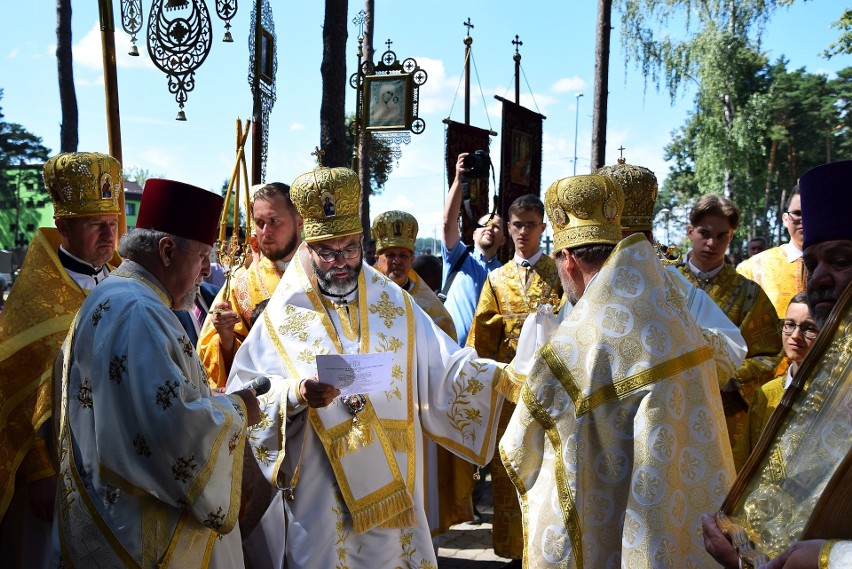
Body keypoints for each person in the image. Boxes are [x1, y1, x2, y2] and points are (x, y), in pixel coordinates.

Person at [227, 160, 508, 569]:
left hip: (391, 481)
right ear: (308, 249)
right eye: (328, 253)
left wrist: (502, 378)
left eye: (350, 249)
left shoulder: (394, 302)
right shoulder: (282, 315)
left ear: (362, 243)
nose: (341, 262)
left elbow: (444, 365)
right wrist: (296, 393)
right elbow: (249, 391)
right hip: (319, 491)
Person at [500, 173, 735, 568]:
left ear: (568, 260)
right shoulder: (679, 321)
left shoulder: (573, 349)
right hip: (690, 522)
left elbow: (519, 449)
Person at [55, 178, 261, 568]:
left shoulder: (115, 292)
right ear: (167, 250)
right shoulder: (141, 311)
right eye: (202, 257)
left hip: (111, 516)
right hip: (143, 532)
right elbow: (172, 430)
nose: (205, 271)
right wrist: (239, 410)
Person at [703, 160, 852, 569]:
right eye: (813, 262)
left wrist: (827, 557)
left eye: (840, 260)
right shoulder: (825, 379)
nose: (818, 278)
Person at [0, 152, 122, 569]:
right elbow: (13, 394)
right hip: (58, 472)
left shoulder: (127, 283)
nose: (109, 236)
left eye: (113, 224)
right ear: (64, 226)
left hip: (122, 466)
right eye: (95, 225)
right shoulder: (35, 299)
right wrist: (38, 471)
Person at [466, 193, 562, 562]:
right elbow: (482, 341)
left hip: (555, 396)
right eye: (517, 225)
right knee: (510, 474)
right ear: (508, 228)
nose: (523, 232)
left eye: (531, 225)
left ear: (542, 228)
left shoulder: (560, 272)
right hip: (511, 400)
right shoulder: (497, 279)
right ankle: (513, 552)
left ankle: (546, 552)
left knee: (549, 474)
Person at [371, 209, 472, 533]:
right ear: (377, 255)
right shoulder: (358, 293)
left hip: (416, 412)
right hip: (370, 410)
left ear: (412, 257)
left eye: (403, 255)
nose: (396, 261)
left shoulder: (431, 307)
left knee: (419, 495)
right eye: (390, 254)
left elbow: (446, 356)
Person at [679, 195, 781, 470]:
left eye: (722, 236)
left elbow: (769, 355)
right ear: (690, 231)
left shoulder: (750, 294)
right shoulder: (665, 281)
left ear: (732, 236)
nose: (712, 243)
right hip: (670, 405)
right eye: (704, 233)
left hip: (724, 411)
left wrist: (729, 379)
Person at [198, 182, 303, 387]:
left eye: (274, 221)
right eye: (259, 222)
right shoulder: (243, 285)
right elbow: (230, 366)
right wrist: (226, 339)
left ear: (299, 222)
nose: (265, 231)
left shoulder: (323, 273)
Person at [731, 292, 819, 466]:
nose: (795, 335)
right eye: (789, 325)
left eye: (808, 328)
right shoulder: (766, 393)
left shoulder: (836, 394)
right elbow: (742, 460)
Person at [441, 152, 505, 345]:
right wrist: (459, 180)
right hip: (450, 353)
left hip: (485, 360)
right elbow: (447, 223)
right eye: (485, 224)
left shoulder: (505, 274)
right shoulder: (458, 256)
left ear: (503, 239)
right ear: (474, 234)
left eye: (496, 227)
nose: (489, 228)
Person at [737, 191, 806, 318]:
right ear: (785, 219)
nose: (805, 219)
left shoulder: (844, 265)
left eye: (812, 212)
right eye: (797, 213)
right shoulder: (751, 269)